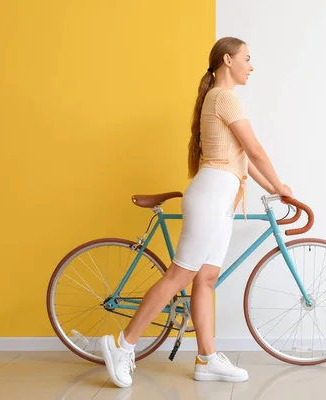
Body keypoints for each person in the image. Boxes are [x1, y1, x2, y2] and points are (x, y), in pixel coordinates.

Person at [100, 37, 293, 388]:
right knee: (179, 276)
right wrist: (281, 184)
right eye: (247, 58)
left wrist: (275, 189)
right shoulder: (225, 98)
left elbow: (244, 161)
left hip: (221, 197)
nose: (252, 66)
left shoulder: (218, 98)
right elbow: (256, 149)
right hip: (211, 196)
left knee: (204, 279)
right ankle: (120, 344)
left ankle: (206, 358)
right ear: (227, 60)